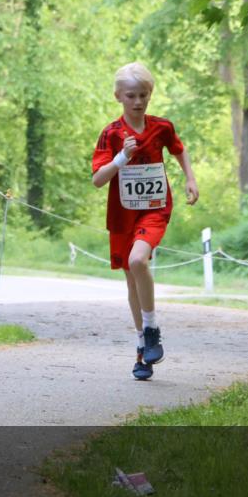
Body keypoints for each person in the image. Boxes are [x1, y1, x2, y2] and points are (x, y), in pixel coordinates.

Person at [91, 62, 198, 381]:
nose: (138, 102)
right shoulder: (111, 134)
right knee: (131, 279)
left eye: (143, 95)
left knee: (139, 260)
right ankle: (143, 350)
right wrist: (121, 157)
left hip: (155, 207)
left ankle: (151, 329)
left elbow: (179, 150)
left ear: (150, 95)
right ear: (118, 97)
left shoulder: (161, 127)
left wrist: (190, 178)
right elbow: (98, 179)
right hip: (122, 213)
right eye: (131, 96)